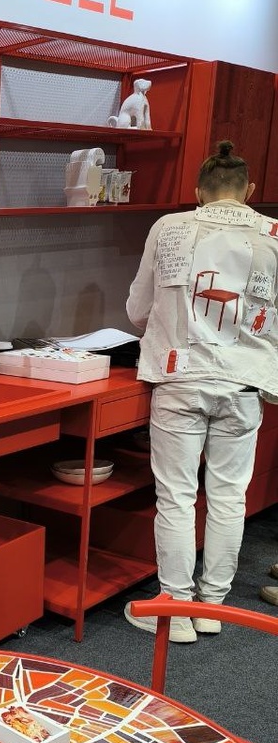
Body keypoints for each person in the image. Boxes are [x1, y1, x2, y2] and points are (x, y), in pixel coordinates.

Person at [124, 141, 278, 642]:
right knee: (229, 497)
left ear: (198, 192)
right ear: (249, 191)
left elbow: (138, 310)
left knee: (176, 496)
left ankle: (173, 610)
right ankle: (213, 608)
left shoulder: (168, 227)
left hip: (179, 377)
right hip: (243, 380)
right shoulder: (274, 234)